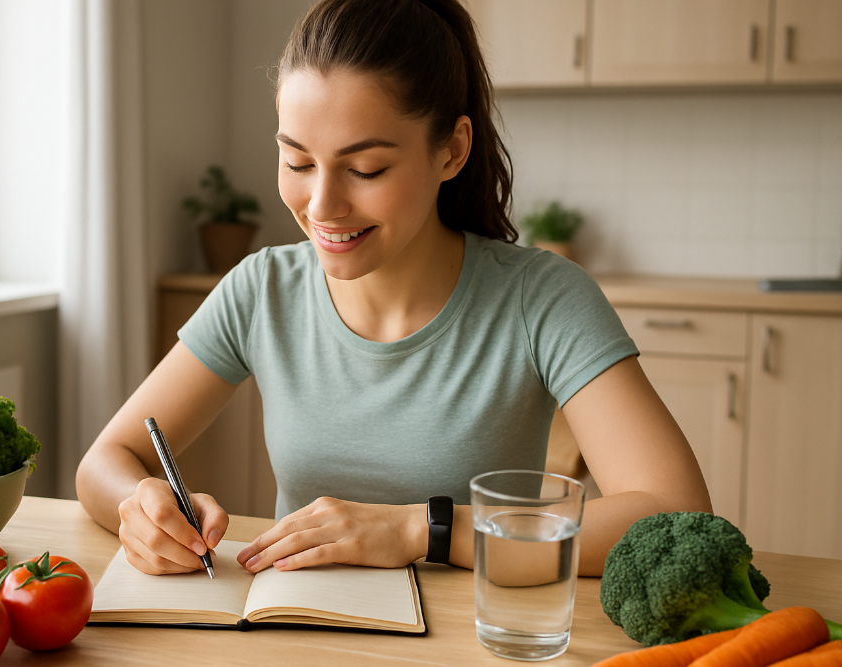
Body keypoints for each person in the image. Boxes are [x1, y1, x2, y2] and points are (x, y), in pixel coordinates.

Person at [75, 0, 711, 579]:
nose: (322, 204)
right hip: (297, 635)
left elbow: (674, 512)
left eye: (366, 168)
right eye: (296, 161)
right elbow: (108, 458)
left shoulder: (542, 299)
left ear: (451, 151)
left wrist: (419, 529)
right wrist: (141, 506)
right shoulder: (262, 289)